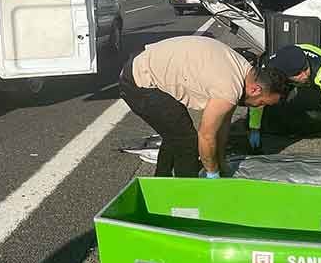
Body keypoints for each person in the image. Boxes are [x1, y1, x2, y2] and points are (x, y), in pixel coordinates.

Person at [120, 35, 288, 178]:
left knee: (175, 133)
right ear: (256, 89)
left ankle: (160, 184)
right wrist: (213, 173)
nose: (259, 107)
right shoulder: (229, 87)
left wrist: (222, 163)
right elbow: (206, 137)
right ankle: (187, 197)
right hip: (140, 80)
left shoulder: (243, 69)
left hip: (145, 64)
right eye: (262, 103)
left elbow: (222, 127)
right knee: (187, 141)